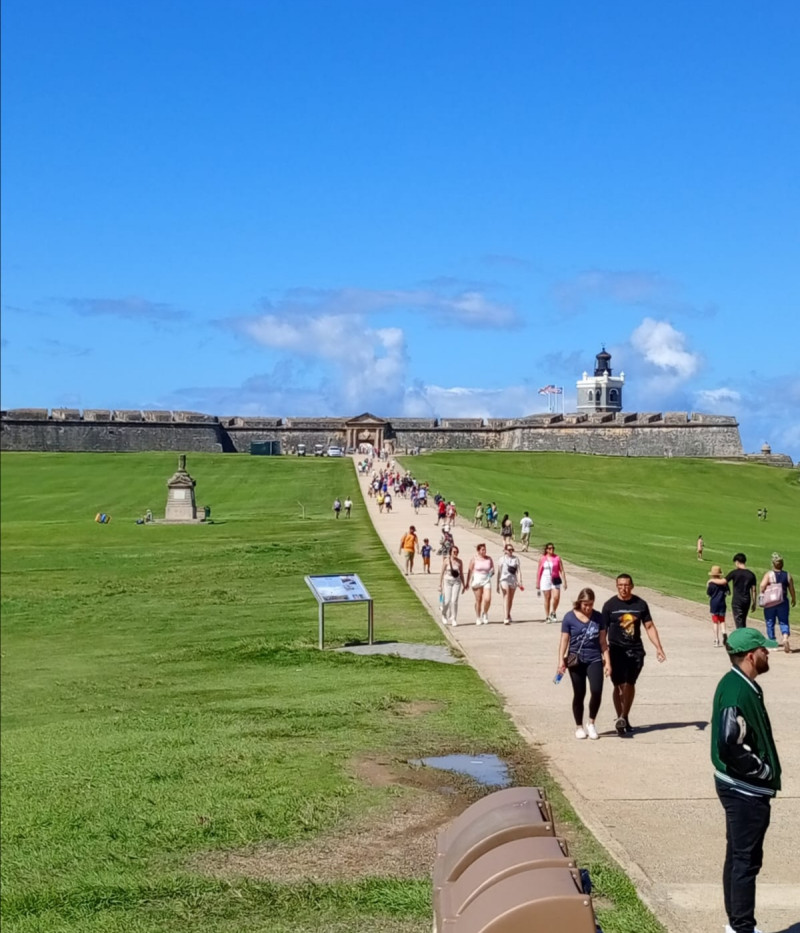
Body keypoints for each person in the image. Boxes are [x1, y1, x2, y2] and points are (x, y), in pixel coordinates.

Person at [711, 628, 781, 933]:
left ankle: (736, 924)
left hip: (736, 786)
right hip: (744, 791)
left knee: (737, 856)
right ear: (751, 656)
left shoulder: (737, 684)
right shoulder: (738, 691)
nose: (768, 653)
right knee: (745, 860)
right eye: (764, 650)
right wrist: (762, 770)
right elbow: (729, 743)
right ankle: (741, 927)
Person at [601, 574, 666, 736]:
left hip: (635, 650)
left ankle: (624, 716)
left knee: (629, 684)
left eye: (626, 585)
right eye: (620, 585)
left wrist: (658, 647)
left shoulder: (640, 604)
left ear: (632, 586)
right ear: (617, 586)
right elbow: (603, 632)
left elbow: (649, 627)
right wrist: (603, 653)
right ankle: (620, 717)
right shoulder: (609, 606)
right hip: (616, 650)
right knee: (619, 686)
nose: (623, 588)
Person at [556, 588, 611, 740]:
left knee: (597, 691)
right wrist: (561, 660)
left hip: (594, 658)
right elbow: (564, 641)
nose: (587, 608)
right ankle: (579, 726)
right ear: (580, 602)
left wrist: (608, 662)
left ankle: (591, 723)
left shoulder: (598, 617)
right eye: (585, 604)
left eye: (590, 604)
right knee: (579, 693)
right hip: (576, 660)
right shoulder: (569, 618)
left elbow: (603, 642)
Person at [760, 552, 796, 653]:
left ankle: (772, 642)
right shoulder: (787, 575)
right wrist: (794, 598)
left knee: (770, 621)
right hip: (783, 601)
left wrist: (763, 592)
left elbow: (762, 586)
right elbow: (791, 589)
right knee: (784, 621)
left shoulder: (769, 574)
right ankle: (785, 638)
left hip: (770, 602)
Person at [536, 543, 567, 623]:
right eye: (549, 548)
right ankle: (547, 616)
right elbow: (539, 571)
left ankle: (553, 612)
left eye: (553, 548)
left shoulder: (557, 558)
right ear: (546, 550)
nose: (552, 549)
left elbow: (562, 570)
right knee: (547, 597)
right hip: (545, 579)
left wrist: (564, 581)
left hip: (555, 579)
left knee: (556, 597)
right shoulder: (542, 558)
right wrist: (538, 583)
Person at [726, 553, 757, 630]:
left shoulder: (734, 573)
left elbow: (724, 581)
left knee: (738, 621)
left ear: (737, 562)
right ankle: (743, 635)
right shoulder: (751, 574)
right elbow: (754, 590)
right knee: (743, 620)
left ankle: (741, 638)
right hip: (747, 600)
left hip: (737, 600)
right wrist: (754, 602)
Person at [466, 542, 495, 625]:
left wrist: (491, 573)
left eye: (485, 550)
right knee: (478, 600)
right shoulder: (474, 559)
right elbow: (470, 571)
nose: (484, 551)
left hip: (486, 579)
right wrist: (467, 582)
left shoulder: (489, 559)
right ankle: (478, 617)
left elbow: (493, 569)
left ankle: (485, 613)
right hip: (477, 579)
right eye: (482, 550)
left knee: (487, 599)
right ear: (478, 551)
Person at [439, 544, 467, 626]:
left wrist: (464, 584)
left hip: (457, 582)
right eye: (454, 552)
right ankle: (444, 614)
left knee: (454, 600)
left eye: (457, 552)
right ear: (450, 552)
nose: (456, 553)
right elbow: (442, 573)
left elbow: (461, 573)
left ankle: (454, 618)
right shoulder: (446, 561)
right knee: (447, 600)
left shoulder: (459, 561)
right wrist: (440, 584)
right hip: (447, 581)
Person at [497, 543, 523, 624]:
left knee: (510, 599)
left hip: (513, 580)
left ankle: (508, 613)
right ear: (505, 551)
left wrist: (520, 581)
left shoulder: (516, 559)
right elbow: (499, 572)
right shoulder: (501, 559)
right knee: (506, 596)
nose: (511, 551)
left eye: (512, 550)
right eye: (509, 550)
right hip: (504, 580)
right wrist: (497, 584)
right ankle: (505, 617)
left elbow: (518, 571)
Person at [708, 565, 731, 647]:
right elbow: (728, 592)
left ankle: (716, 639)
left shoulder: (711, 583)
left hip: (714, 603)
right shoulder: (724, 583)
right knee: (722, 620)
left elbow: (709, 593)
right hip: (722, 603)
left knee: (715, 622)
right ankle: (724, 633)